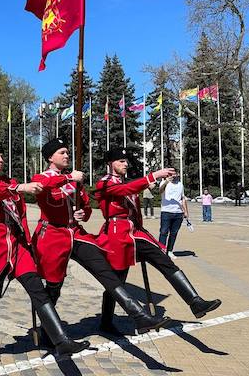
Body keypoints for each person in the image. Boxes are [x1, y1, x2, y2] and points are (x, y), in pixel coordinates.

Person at [32, 139, 168, 337]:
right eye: (62, 152)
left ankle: (138, 314)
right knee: (54, 286)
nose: (67, 155)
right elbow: (43, 185)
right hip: (52, 236)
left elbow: (85, 206)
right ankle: (49, 332)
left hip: (75, 233)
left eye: (67, 152)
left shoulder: (74, 180)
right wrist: (70, 177)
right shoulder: (43, 176)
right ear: (50, 158)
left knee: (105, 271)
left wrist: (82, 213)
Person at [0, 140, 89, 362]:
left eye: (1, 156)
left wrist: (27, 243)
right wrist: (20, 187)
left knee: (38, 290)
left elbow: (21, 215)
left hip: (18, 247)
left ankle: (60, 340)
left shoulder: (10, 182)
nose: (0, 160)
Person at [95, 147, 221, 332]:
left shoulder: (126, 182)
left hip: (135, 233)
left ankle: (195, 301)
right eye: (121, 161)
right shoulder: (104, 183)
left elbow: (134, 205)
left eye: (126, 160)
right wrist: (154, 176)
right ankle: (106, 322)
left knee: (165, 262)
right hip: (117, 235)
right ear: (110, 163)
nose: (126, 164)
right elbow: (124, 190)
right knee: (117, 282)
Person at [159, 174, 188, 259]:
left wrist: (185, 211)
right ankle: (161, 251)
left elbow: (182, 198)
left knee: (174, 233)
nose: (175, 175)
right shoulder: (164, 183)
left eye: (176, 173)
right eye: (172, 174)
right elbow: (160, 191)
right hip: (166, 211)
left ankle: (170, 251)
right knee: (163, 232)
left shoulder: (180, 184)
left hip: (178, 212)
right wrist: (166, 182)